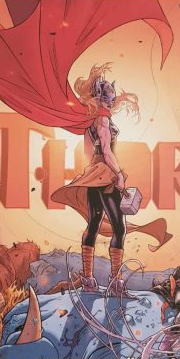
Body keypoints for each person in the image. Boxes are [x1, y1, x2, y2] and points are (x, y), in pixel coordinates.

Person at [51, 63, 139, 297]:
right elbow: (107, 152)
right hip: (106, 175)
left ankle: (89, 280)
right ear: (101, 100)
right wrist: (118, 175)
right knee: (119, 227)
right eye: (109, 99)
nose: (111, 102)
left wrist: (95, 170)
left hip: (94, 173)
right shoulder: (103, 121)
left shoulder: (90, 121)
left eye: (112, 99)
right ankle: (115, 282)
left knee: (93, 224)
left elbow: (89, 151)